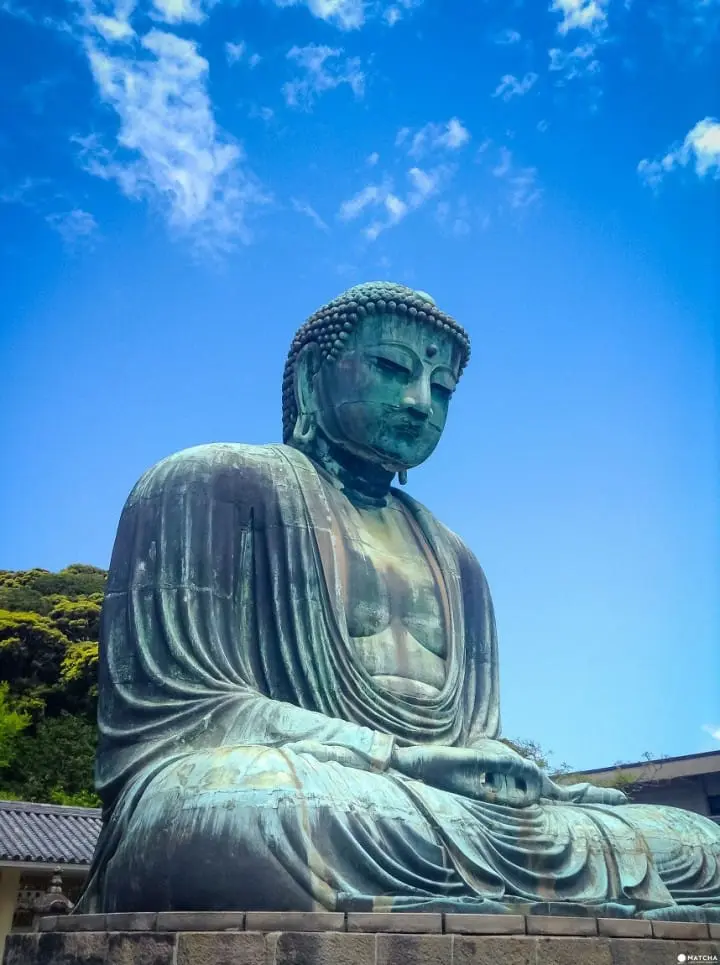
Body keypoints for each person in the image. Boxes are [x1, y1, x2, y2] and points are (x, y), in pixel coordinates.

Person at [76, 282, 720, 919]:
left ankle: (493, 893)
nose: (420, 402)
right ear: (309, 378)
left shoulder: (456, 557)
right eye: (392, 368)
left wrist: (504, 770)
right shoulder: (206, 483)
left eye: (442, 389)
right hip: (300, 785)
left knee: (696, 844)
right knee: (237, 814)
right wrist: (395, 756)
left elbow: (473, 736)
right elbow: (187, 717)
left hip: (437, 809)